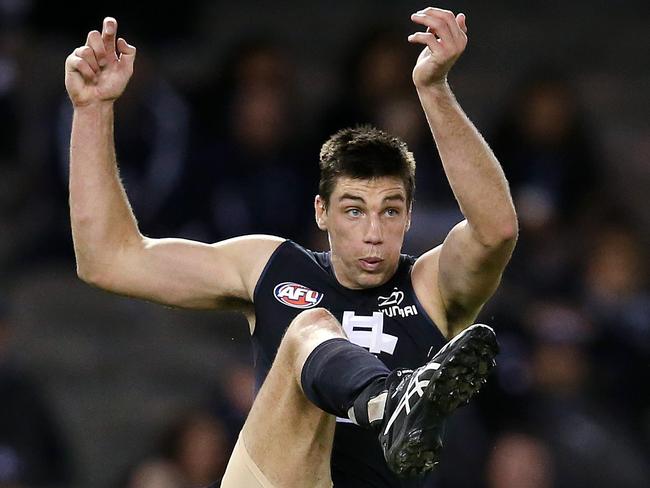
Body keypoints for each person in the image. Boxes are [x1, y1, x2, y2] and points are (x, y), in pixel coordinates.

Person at [64, 7, 517, 488]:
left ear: (408, 216)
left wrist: (434, 89)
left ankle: (392, 400)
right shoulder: (273, 267)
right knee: (310, 328)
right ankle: (389, 399)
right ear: (321, 213)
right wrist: (92, 109)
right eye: (354, 210)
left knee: (313, 329)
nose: (373, 231)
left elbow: (497, 231)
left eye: (389, 210)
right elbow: (109, 260)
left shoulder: (430, 286)